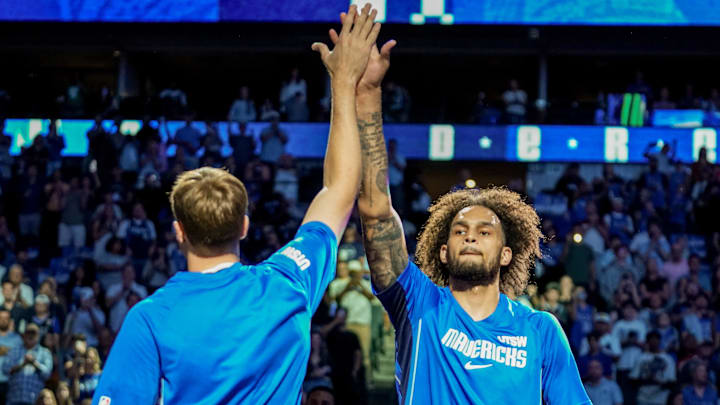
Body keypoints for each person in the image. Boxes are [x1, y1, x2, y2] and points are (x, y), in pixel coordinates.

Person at [93, 5, 379, 404]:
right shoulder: (287, 285)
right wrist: (344, 82)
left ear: (179, 231)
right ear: (244, 226)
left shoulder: (150, 318)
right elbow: (339, 189)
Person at [343, 18, 589, 403]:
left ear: (507, 254)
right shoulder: (417, 303)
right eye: (459, 231)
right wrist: (367, 94)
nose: (470, 234)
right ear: (443, 251)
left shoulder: (540, 330)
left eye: (485, 230)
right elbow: (375, 212)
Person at [2, 323, 52, 405]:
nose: (31, 336)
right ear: (24, 335)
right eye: (28, 333)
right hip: (14, 398)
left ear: (38, 336)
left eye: (33, 333)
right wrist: (22, 364)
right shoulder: (14, 351)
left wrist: (34, 363)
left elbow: (47, 374)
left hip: (35, 400)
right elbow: (5, 369)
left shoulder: (44, 352)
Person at [0, 309, 23, 405]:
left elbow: (20, 359)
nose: (3, 320)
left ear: (10, 321)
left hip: (10, 381)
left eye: (6, 318)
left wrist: (6, 351)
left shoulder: (17, 339)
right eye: (1, 318)